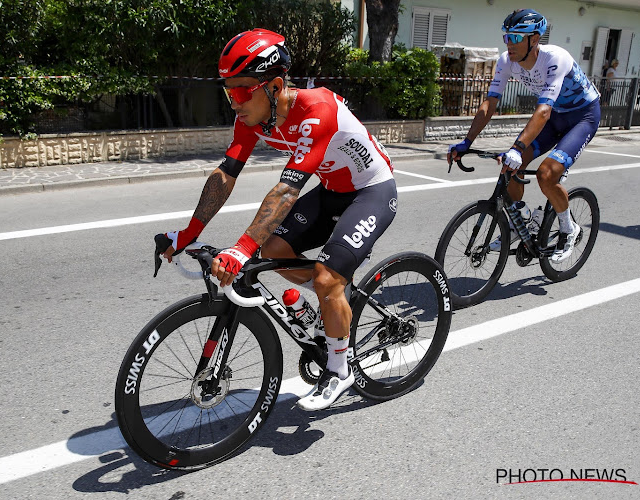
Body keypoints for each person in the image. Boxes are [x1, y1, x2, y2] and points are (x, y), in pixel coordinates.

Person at [159, 29, 398, 411]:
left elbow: (287, 191)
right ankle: (329, 302)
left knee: (324, 277)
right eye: (227, 91)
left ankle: (339, 369)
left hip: (372, 191)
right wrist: (188, 232)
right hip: (332, 191)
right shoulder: (255, 117)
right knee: (273, 249)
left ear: (273, 86)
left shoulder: (316, 110)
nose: (233, 102)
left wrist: (239, 249)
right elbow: (225, 176)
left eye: (240, 91)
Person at [447, 9, 600, 262]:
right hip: (554, 116)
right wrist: (467, 142)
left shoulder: (555, 58)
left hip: (582, 116)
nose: (510, 43)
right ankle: (523, 224)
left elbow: (542, 110)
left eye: (517, 37)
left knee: (546, 174)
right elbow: (490, 104)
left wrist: (517, 148)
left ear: (535, 39)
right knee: (509, 169)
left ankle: (568, 228)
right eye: (507, 37)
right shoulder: (506, 61)